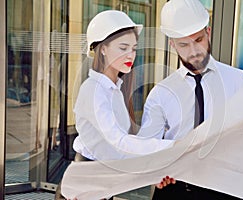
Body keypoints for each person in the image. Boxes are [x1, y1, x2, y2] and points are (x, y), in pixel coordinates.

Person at [137, 0, 243, 199]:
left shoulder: (241, 82)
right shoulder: (161, 93)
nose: (193, 51)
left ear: (208, 32)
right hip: (174, 191)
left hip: (225, 192)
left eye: (199, 39)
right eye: (183, 44)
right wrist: (154, 171)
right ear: (172, 44)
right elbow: (146, 149)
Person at [55, 10, 174, 200]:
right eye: (123, 48)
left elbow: (121, 150)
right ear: (103, 48)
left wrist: (153, 172)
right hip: (83, 186)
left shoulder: (115, 90)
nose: (131, 55)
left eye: (134, 48)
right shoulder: (93, 91)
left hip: (102, 183)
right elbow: (118, 143)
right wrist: (170, 147)